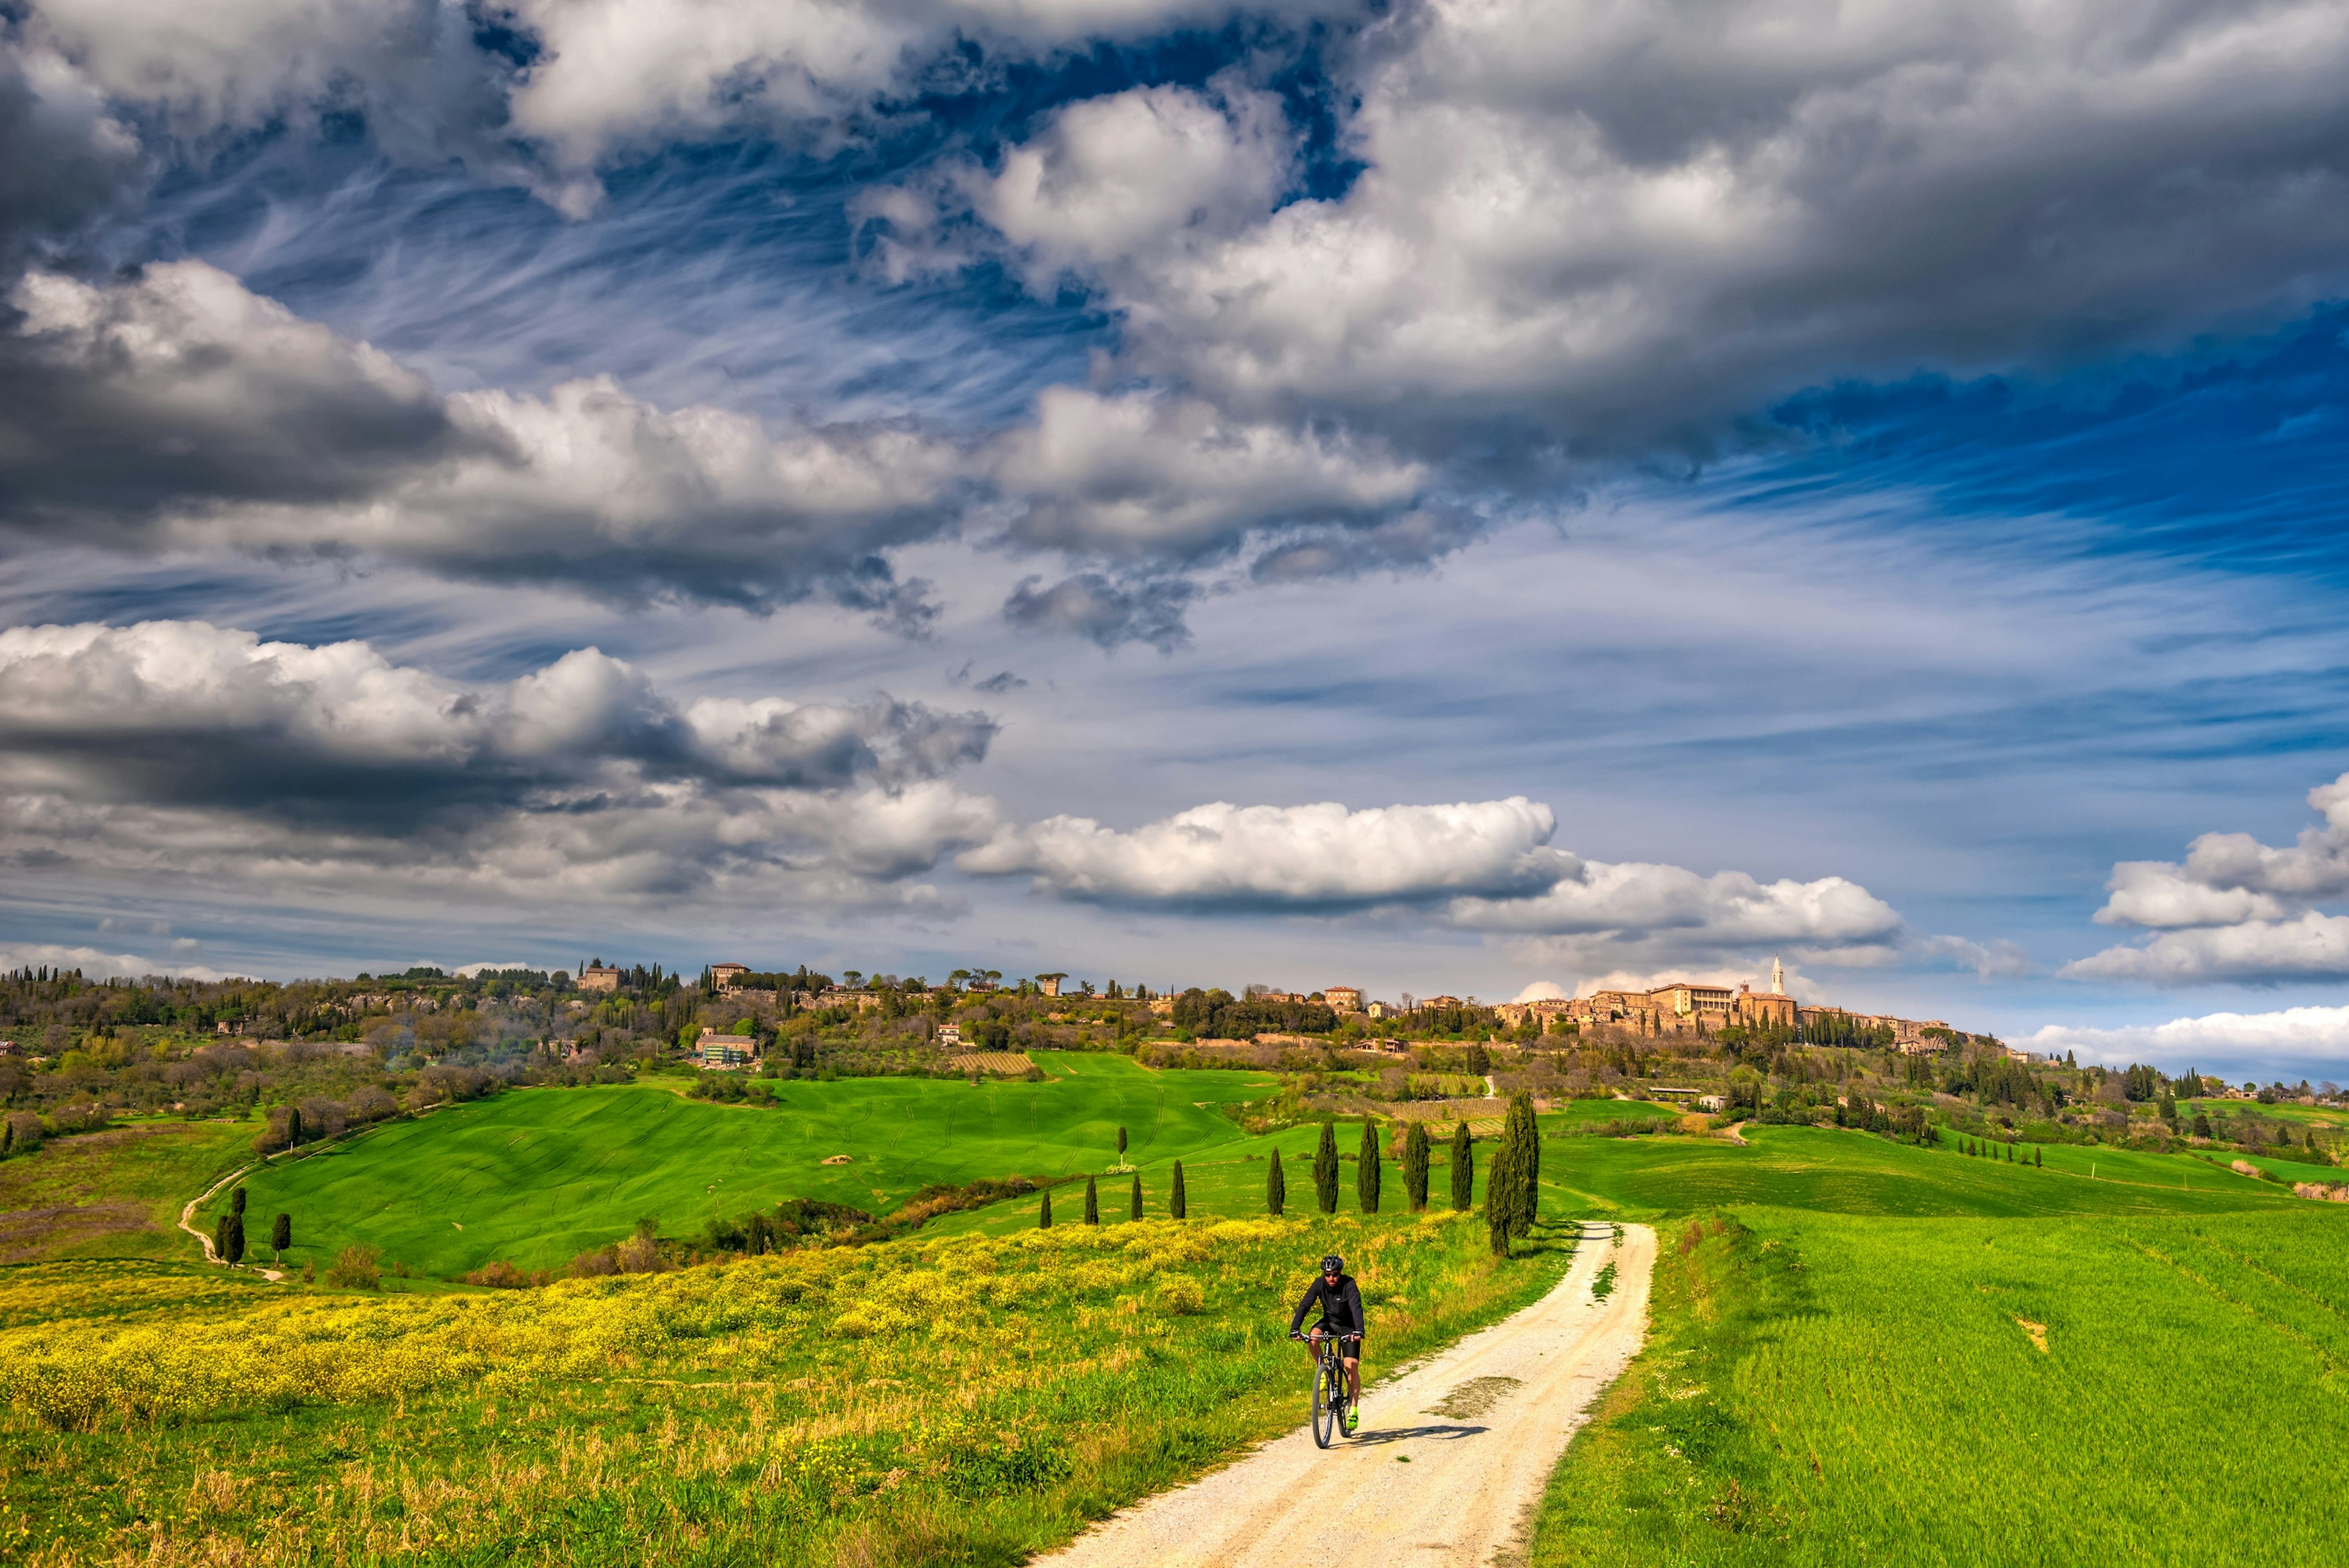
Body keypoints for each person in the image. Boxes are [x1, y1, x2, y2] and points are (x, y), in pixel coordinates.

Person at [1288, 1253, 1365, 1433]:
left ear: (1340, 1273)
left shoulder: (1349, 1284)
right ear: (1324, 1274)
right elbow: (1304, 1306)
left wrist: (1359, 1330)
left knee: (1351, 1367)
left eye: (1335, 1274)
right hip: (1329, 1322)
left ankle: (1353, 1409)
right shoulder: (1319, 1284)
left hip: (1349, 1328)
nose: (1331, 1278)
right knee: (1313, 1338)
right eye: (1328, 1275)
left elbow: (1356, 1306)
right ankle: (1322, 1369)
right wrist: (1295, 1329)